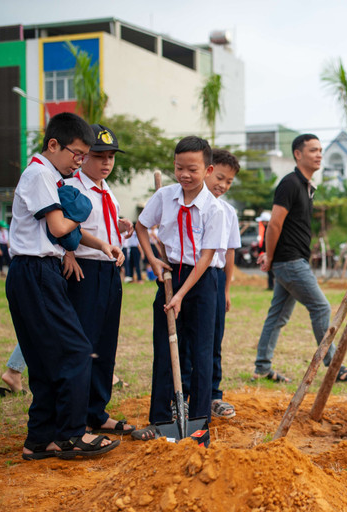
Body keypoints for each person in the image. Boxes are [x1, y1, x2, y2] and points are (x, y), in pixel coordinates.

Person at [5, 112, 122, 460]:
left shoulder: (45, 173)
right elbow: (59, 227)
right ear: (54, 145)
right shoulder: (41, 173)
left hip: (35, 271)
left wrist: (98, 242)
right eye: (77, 154)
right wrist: (82, 210)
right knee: (75, 351)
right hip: (36, 271)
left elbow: (61, 228)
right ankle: (72, 435)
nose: (80, 162)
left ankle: (40, 439)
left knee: (44, 359)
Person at [131, 136, 227, 441]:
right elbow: (141, 226)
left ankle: (198, 423)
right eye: (179, 168)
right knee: (164, 346)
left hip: (201, 280)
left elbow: (207, 256)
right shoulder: (165, 197)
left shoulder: (215, 209)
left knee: (201, 351)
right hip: (170, 274)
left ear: (208, 169)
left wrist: (182, 295)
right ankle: (160, 420)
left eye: (192, 169)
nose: (184, 175)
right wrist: (153, 261)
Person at [253, 134, 347, 384]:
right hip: (289, 261)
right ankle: (334, 366)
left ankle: (261, 367)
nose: (319, 154)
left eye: (321, 150)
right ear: (297, 154)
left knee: (277, 316)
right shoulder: (290, 183)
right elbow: (274, 224)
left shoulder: (307, 186)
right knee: (321, 307)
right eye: (313, 150)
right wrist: (268, 256)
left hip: (292, 260)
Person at [63, 124, 135, 435]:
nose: (106, 163)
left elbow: (104, 225)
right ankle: (76, 417)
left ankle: (97, 410)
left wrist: (121, 224)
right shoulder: (72, 188)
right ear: (82, 157)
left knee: (106, 344)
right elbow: (67, 229)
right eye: (98, 156)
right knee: (85, 345)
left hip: (109, 271)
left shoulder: (107, 191)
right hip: (85, 270)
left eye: (111, 157)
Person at [181, 148, 241, 419]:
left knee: (213, 338)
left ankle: (214, 395)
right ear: (206, 170)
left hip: (214, 278)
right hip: (187, 272)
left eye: (229, 181)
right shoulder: (184, 204)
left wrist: (226, 289)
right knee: (185, 339)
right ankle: (181, 394)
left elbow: (229, 253)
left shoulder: (227, 212)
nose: (223, 185)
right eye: (219, 177)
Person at [256, 211, 275, 290]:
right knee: (270, 271)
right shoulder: (266, 229)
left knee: (271, 271)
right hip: (267, 253)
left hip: (269, 253)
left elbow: (266, 243)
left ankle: (272, 286)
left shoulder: (269, 230)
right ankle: (270, 286)